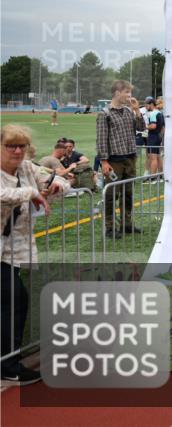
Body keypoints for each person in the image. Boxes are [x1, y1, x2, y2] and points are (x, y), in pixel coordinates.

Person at [2, 124, 67, 384]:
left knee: (13, 299)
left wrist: (57, 187)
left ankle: (8, 361)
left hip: (11, 248)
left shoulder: (28, 167)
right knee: (14, 299)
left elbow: (58, 179)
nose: (17, 151)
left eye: (22, 146)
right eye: (10, 146)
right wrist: (31, 192)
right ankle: (8, 363)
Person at [96, 81, 146, 238]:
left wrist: (137, 110)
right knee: (111, 195)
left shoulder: (128, 111)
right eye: (126, 92)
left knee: (128, 193)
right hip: (114, 161)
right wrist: (104, 162)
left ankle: (127, 224)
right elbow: (101, 139)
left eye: (130, 92)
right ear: (117, 93)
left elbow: (141, 128)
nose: (129, 96)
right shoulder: (105, 114)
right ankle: (110, 227)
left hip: (130, 157)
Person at [146, 98, 164, 174]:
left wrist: (146, 126)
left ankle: (152, 177)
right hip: (158, 136)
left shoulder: (153, 113)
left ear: (151, 104)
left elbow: (153, 126)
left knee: (153, 157)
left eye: (147, 105)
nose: (146, 107)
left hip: (153, 137)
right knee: (158, 156)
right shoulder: (160, 113)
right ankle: (160, 175)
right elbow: (163, 127)